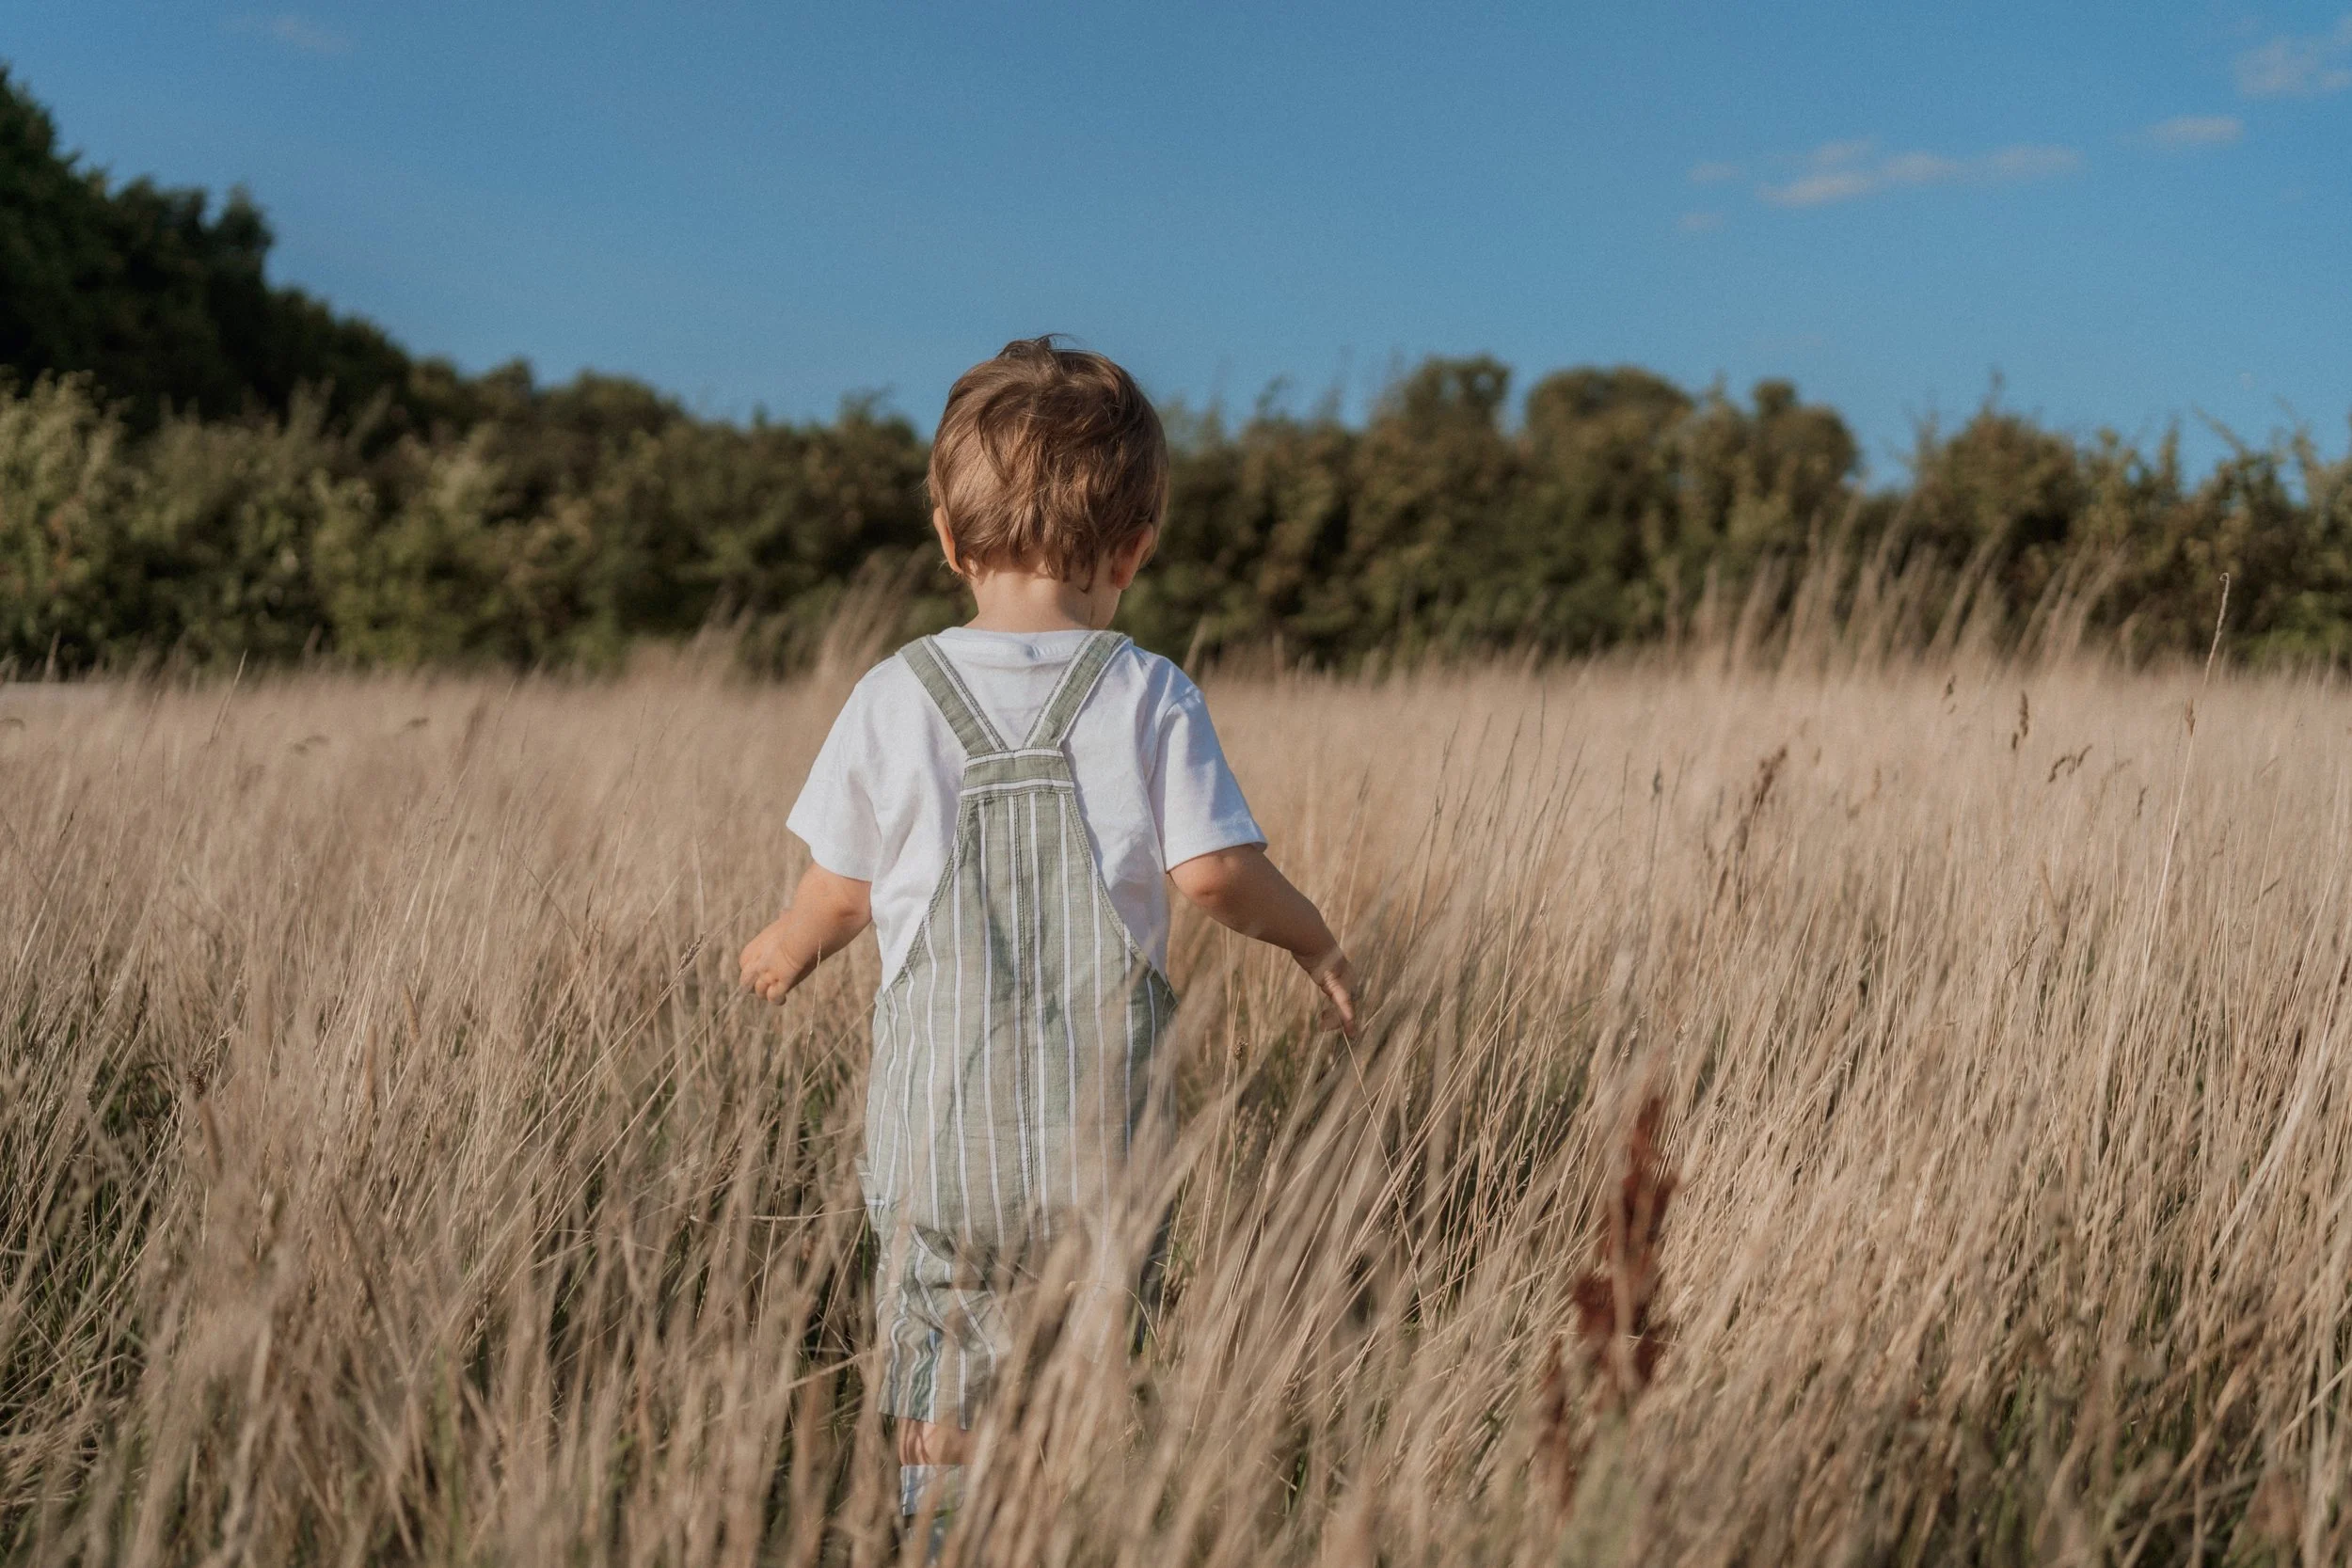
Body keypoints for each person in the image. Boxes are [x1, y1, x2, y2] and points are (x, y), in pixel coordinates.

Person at [739, 337, 1359, 1538]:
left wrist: (783, 946)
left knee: (941, 1366)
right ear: (1137, 544)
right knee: (1086, 1354)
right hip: (1101, 1139)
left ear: (945, 532)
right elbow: (1217, 875)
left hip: (938, 1142)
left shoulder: (893, 693)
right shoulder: (1146, 692)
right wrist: (1315, 942)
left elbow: (841, 891)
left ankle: (945, 1529)